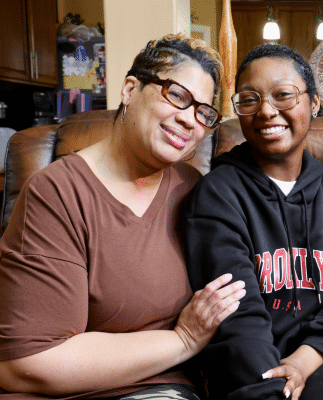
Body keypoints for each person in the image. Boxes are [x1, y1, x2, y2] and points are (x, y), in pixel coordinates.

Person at [0, 34, 246, 399]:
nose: (189, 120)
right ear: (130, 89)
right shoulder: (57, 193)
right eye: (177, 95)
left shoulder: (195, 189)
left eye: (203, 112)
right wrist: (183, 339)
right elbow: (29, 362)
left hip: (164, 389)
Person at [184, 44, 323, 400]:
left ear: (314, 102)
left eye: (283, 95)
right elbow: (235, 311)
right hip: (248, 357)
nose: (265, 111)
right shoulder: (217, 193)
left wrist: (305, 361)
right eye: (249, 99)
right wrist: (274, 383)